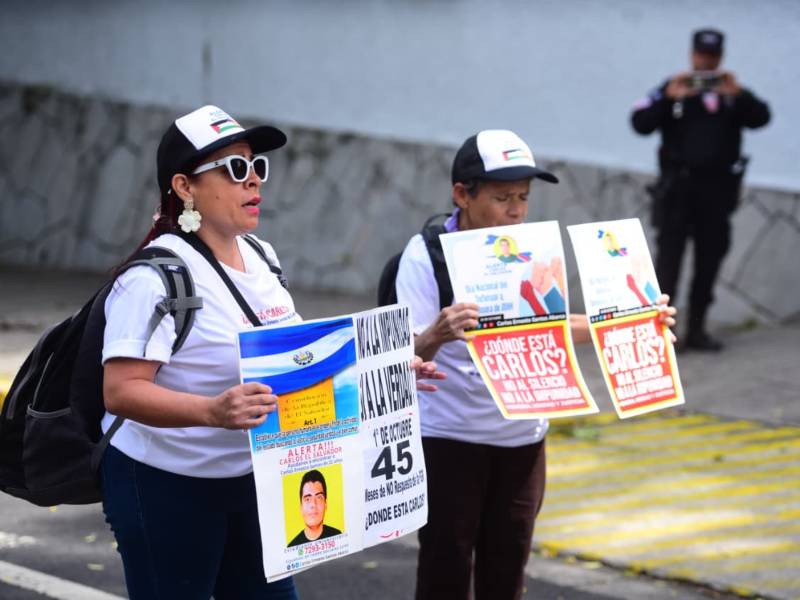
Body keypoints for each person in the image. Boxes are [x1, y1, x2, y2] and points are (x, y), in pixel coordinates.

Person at [100, 105, 443, 599]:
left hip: (253, 477)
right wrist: (212, 411)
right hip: (164, 483)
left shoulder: (262, 257)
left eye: (257, 165)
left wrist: (380, 367)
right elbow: (121, 391)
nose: (254, 179)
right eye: (235, 168)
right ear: (184, 186)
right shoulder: (152, 279)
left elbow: (299, 354)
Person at [395, 129, 677, 600]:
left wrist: (636, 319)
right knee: (446, 566)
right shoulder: (425, 256)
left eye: (523, 197)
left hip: (523, 438)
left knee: (508, 568)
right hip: (448, 439)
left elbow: (553, 324)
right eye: (502, 197)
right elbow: (402, 358)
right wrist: (435, 334)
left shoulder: (527, 251)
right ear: (462, 194)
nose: (516, 211)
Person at [631, 28, 770, 351]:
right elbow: (639, 122)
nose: (706, 62)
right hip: (677, 192)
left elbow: (762, 117)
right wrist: (669, 97)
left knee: (709, 262)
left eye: (712, 56)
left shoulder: (731, 95)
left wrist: (738, 94)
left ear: (720, 57)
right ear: (692, 55)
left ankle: (697, 330)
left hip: (717, 194)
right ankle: (662, 334)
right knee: (668, 263)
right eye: (701, 55)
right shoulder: (672, 90)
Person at [288, 469, 342, 547]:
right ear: (301, 507)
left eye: (319, 497)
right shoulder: (292, 547)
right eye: (307, 499)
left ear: (325, 504)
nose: (313, 504)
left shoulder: (338, 537)